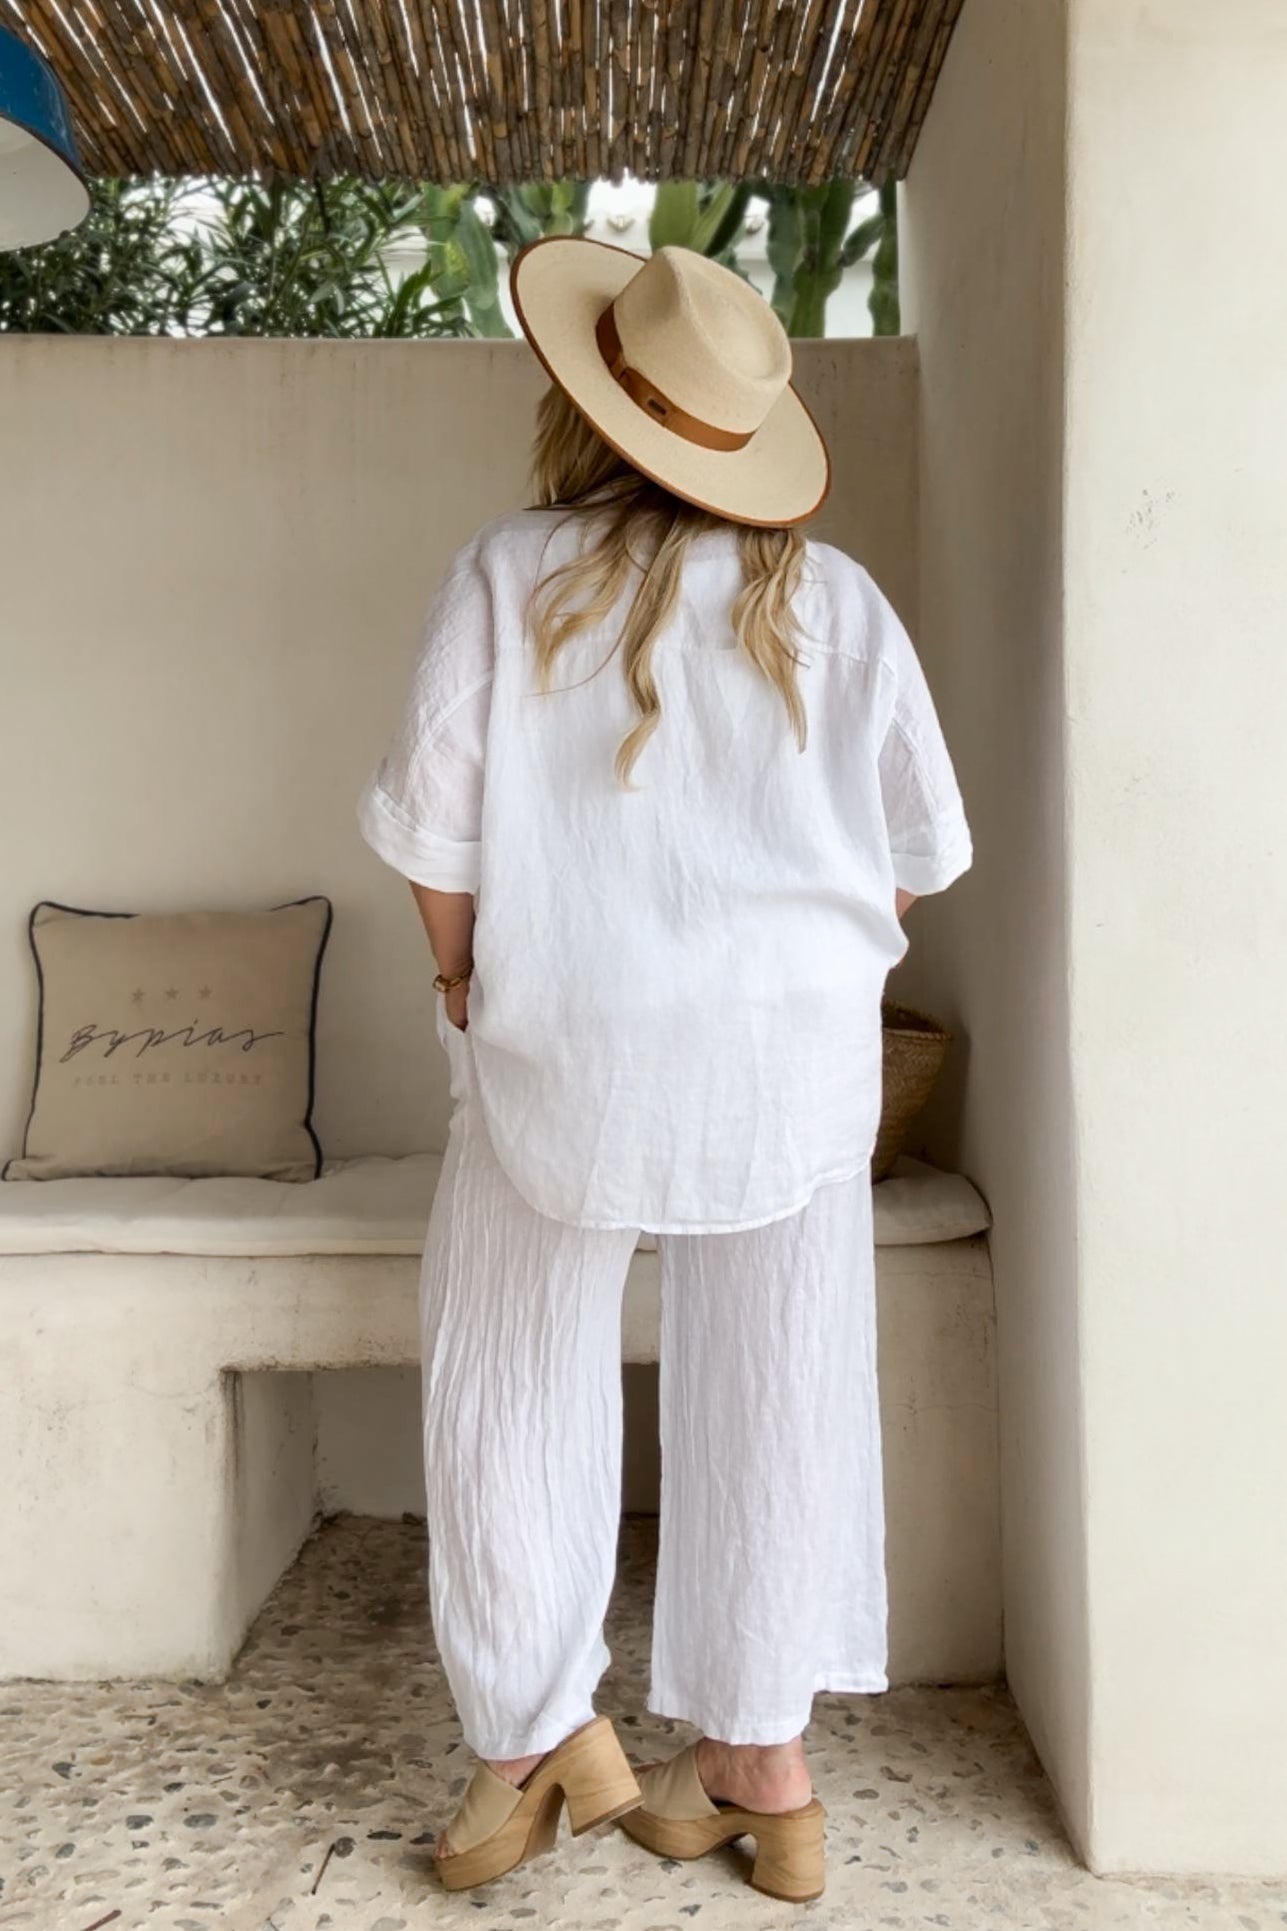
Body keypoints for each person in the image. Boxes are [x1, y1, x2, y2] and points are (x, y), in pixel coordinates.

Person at [356, 237, 972, 1903]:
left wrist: (463, 980)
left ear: (588, 405)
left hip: (565, 1038)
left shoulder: (511, 573)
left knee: (510, 1369)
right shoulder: (836, 600)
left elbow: (433, 835)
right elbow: (911, 860)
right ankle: (766, 1772)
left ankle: (533, 1742)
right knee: (784, 1383)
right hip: (790, 1055)